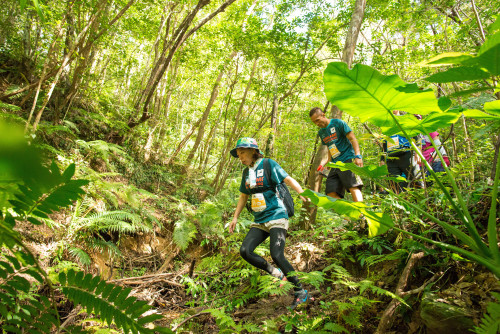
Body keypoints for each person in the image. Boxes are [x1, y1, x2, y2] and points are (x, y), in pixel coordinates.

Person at [228, 137, 310, 309]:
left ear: (253, 151)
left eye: (242, 153)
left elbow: (287, 179)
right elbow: (244, 196)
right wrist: (235, 217)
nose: (240, 157)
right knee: (245, 250)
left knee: (277, 254)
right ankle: (276, 273)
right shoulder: (246, 173)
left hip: (277, 215)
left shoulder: (268, 164)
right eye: (238, 154)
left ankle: (300, 291)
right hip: (260, 219)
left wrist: (301, 193)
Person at [309, 107, 363, 202]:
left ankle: (361, 214)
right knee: (331, 192)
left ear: (323, 115)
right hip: (334, 164)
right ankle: (349, 213)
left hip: (347, 159)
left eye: (317, 120)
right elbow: (330, 147)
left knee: (353, 186)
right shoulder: (321, 132)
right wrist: (328, 163)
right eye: (314, 122)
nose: (317, 124)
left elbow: (352, 138)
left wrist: (358, 156)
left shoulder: (338, 123)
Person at [379, 110, 423, 193]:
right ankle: (400, 203)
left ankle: (424, 202)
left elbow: (416, 135)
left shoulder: (405, 119)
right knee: (394, 184)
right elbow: (384, 143)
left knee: (415, 180)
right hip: (391, 157)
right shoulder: (385, 125)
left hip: (406, 153)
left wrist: (417, 152)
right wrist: (382, 159)